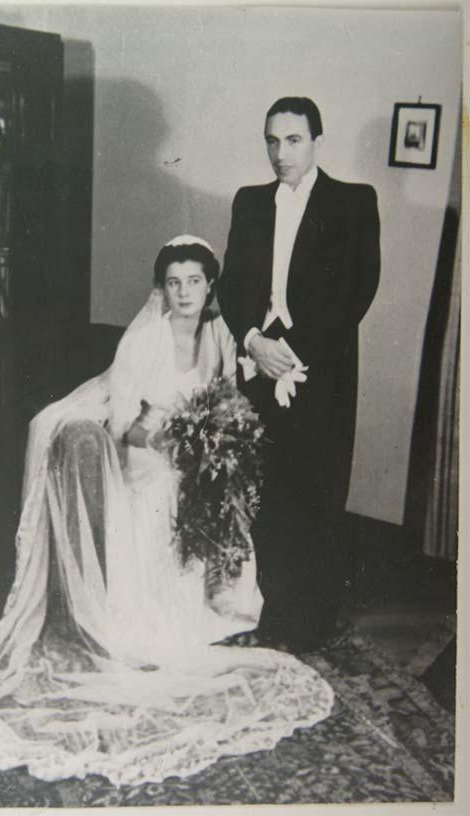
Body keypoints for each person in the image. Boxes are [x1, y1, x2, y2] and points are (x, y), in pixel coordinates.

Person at [0, 236, 334, 786]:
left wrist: (211, 445)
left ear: (210, 288)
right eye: (174, 283)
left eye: (195, 282)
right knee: (166, 482)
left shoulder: (220, 332)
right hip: (142, 457)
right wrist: (172, 439)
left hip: (190, 455)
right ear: (161, 290)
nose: (184, 293)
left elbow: (228, 403)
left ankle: (216, 599)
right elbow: (123, 430)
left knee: (217, 482)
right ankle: (146, 615)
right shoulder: (144, 342)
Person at [218, 97, 381, 652]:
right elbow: (233, 283)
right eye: (271, 140)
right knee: (264, 489)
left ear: (316, 141)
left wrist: (291, 350)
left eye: (292, 140)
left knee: (315, 488)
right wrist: (253, 341)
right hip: (257, 362)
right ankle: (268, 610)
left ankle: (310, 622)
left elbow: (358, 289)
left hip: (320, 369)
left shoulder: (354, 202)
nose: (279, 153)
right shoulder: (250, 202)